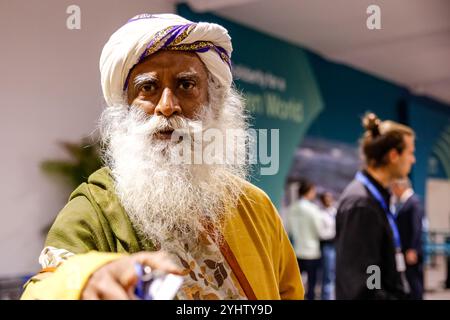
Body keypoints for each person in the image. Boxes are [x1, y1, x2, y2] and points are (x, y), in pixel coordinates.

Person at [21, 13, 303, 300]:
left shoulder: (256, 207)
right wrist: (86, 279)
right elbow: (43, 287)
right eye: (148, 88)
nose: (167, 106)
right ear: (126, 108)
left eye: (186, 85)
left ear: (213, 103)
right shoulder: (95, 209)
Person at [335, 113, 416, 299]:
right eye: (410, 153)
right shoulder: (362, 204)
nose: (413, 160)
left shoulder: (375, 197)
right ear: (394, 155)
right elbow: (366, 286)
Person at [288, 179, 334, 300]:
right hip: (312, 252)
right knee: (311, 287)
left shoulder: (292, 208)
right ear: (308, 192)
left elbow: (289, 230)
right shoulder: (313, 209)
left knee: (295, 284)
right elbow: (321, 232)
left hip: (297, 251)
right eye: (313, 191)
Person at [391, 178, 425, 300]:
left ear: (400, 187)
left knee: (415, 283)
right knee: (409, 282)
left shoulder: (414, 202)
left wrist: (412, 249)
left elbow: (417, 227)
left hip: (411, 251)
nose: (393, 191)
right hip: (406, 250)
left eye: (394, 187)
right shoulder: (405, 203)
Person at [318, 192, 337, 300]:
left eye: (330, 198)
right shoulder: (321, 214)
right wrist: (333, 234)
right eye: (326, 198)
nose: (329, 200)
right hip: (327, 245)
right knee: (328, 275)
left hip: (336, 245)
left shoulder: (334, 212)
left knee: (335, 274)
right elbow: (321, 233)